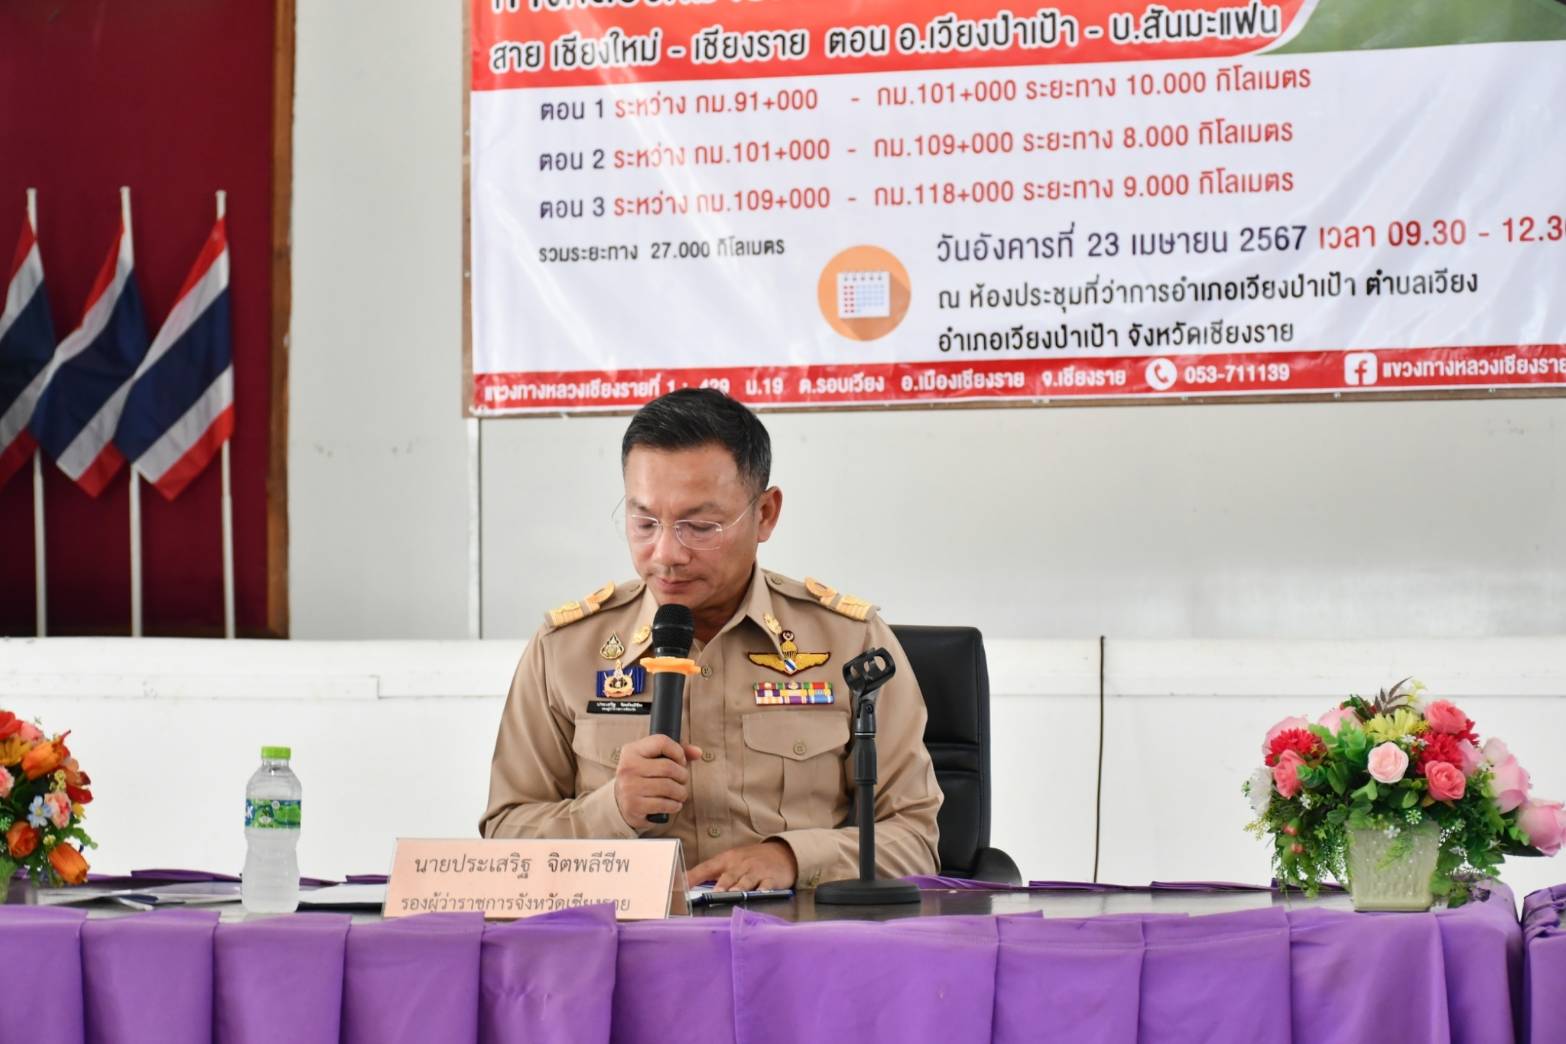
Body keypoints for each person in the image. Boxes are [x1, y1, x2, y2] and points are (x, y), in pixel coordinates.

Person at [480, 389, 941, 891]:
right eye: (645, 523)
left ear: (765, 514)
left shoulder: (851, 641)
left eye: (700, 527)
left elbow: (915, 839)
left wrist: (793, 858)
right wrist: (610, 811)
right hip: (628, 933)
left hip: (792, 931)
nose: (666, 553)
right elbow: (505, 837)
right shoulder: (564, 649)